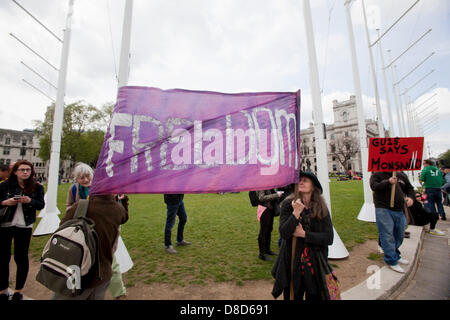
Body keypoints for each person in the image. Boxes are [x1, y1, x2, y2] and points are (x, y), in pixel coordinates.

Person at [66, 162, 128, 300]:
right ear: (77, 179)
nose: (86, 180)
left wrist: (122, 200)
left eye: (87, 176)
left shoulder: (102, 188)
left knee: (110, 263)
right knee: (77, 263)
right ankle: (72, 291)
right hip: (81, 234)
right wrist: (80, 209)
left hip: (102, 233)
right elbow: (68, 208)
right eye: (81, 177)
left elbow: (117, 210)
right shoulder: (74, 190)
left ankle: (119, 293)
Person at [52, 194, 128, 300]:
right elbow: (125, 217)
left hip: (76, 270)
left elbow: (62, 228)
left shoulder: (80, 206)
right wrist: (124, 200)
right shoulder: (117, 209)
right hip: (102, 273)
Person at [272, 171, 334, 300]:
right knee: (293, 295)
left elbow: (328, 238)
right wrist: (296, 213)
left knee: (315, 295)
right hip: (292, 261)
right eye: (299, 180)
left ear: (313, 186)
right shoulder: (289, 205)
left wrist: (304, 234)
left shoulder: (321, 208)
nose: (301, 182)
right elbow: (284, 233)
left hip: (315, 262)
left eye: (305, 180)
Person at [0, 160, 45, 300]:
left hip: (24, 226)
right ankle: (3, 290)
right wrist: (5, 202)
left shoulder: (37, 187)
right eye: (22, 170)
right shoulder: (5, 185)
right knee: (3, 258)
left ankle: (18, 290)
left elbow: (40, 205)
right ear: (15, 172)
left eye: (28, 170)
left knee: (21, 257)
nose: (25, 172)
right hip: (6, 224)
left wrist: (29, 201)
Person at [370, 171, 415, 273]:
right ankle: (391, 260)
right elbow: (374, 186)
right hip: (383, 208)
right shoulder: (377, 174)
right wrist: (388, 182)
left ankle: (394, 253)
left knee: (399, 234)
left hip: (399, 209)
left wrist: (411, 197)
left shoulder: (401, 175)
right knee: (387, 234)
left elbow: (409, 188)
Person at [256, 189, 284, 261]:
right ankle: (262, 254)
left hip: (270, 209)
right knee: (263, 231)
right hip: (264, 209)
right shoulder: (262, 184)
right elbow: (261, 198)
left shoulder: (269, 184)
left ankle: (267, 250)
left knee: (269, 230)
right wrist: (276, 195)